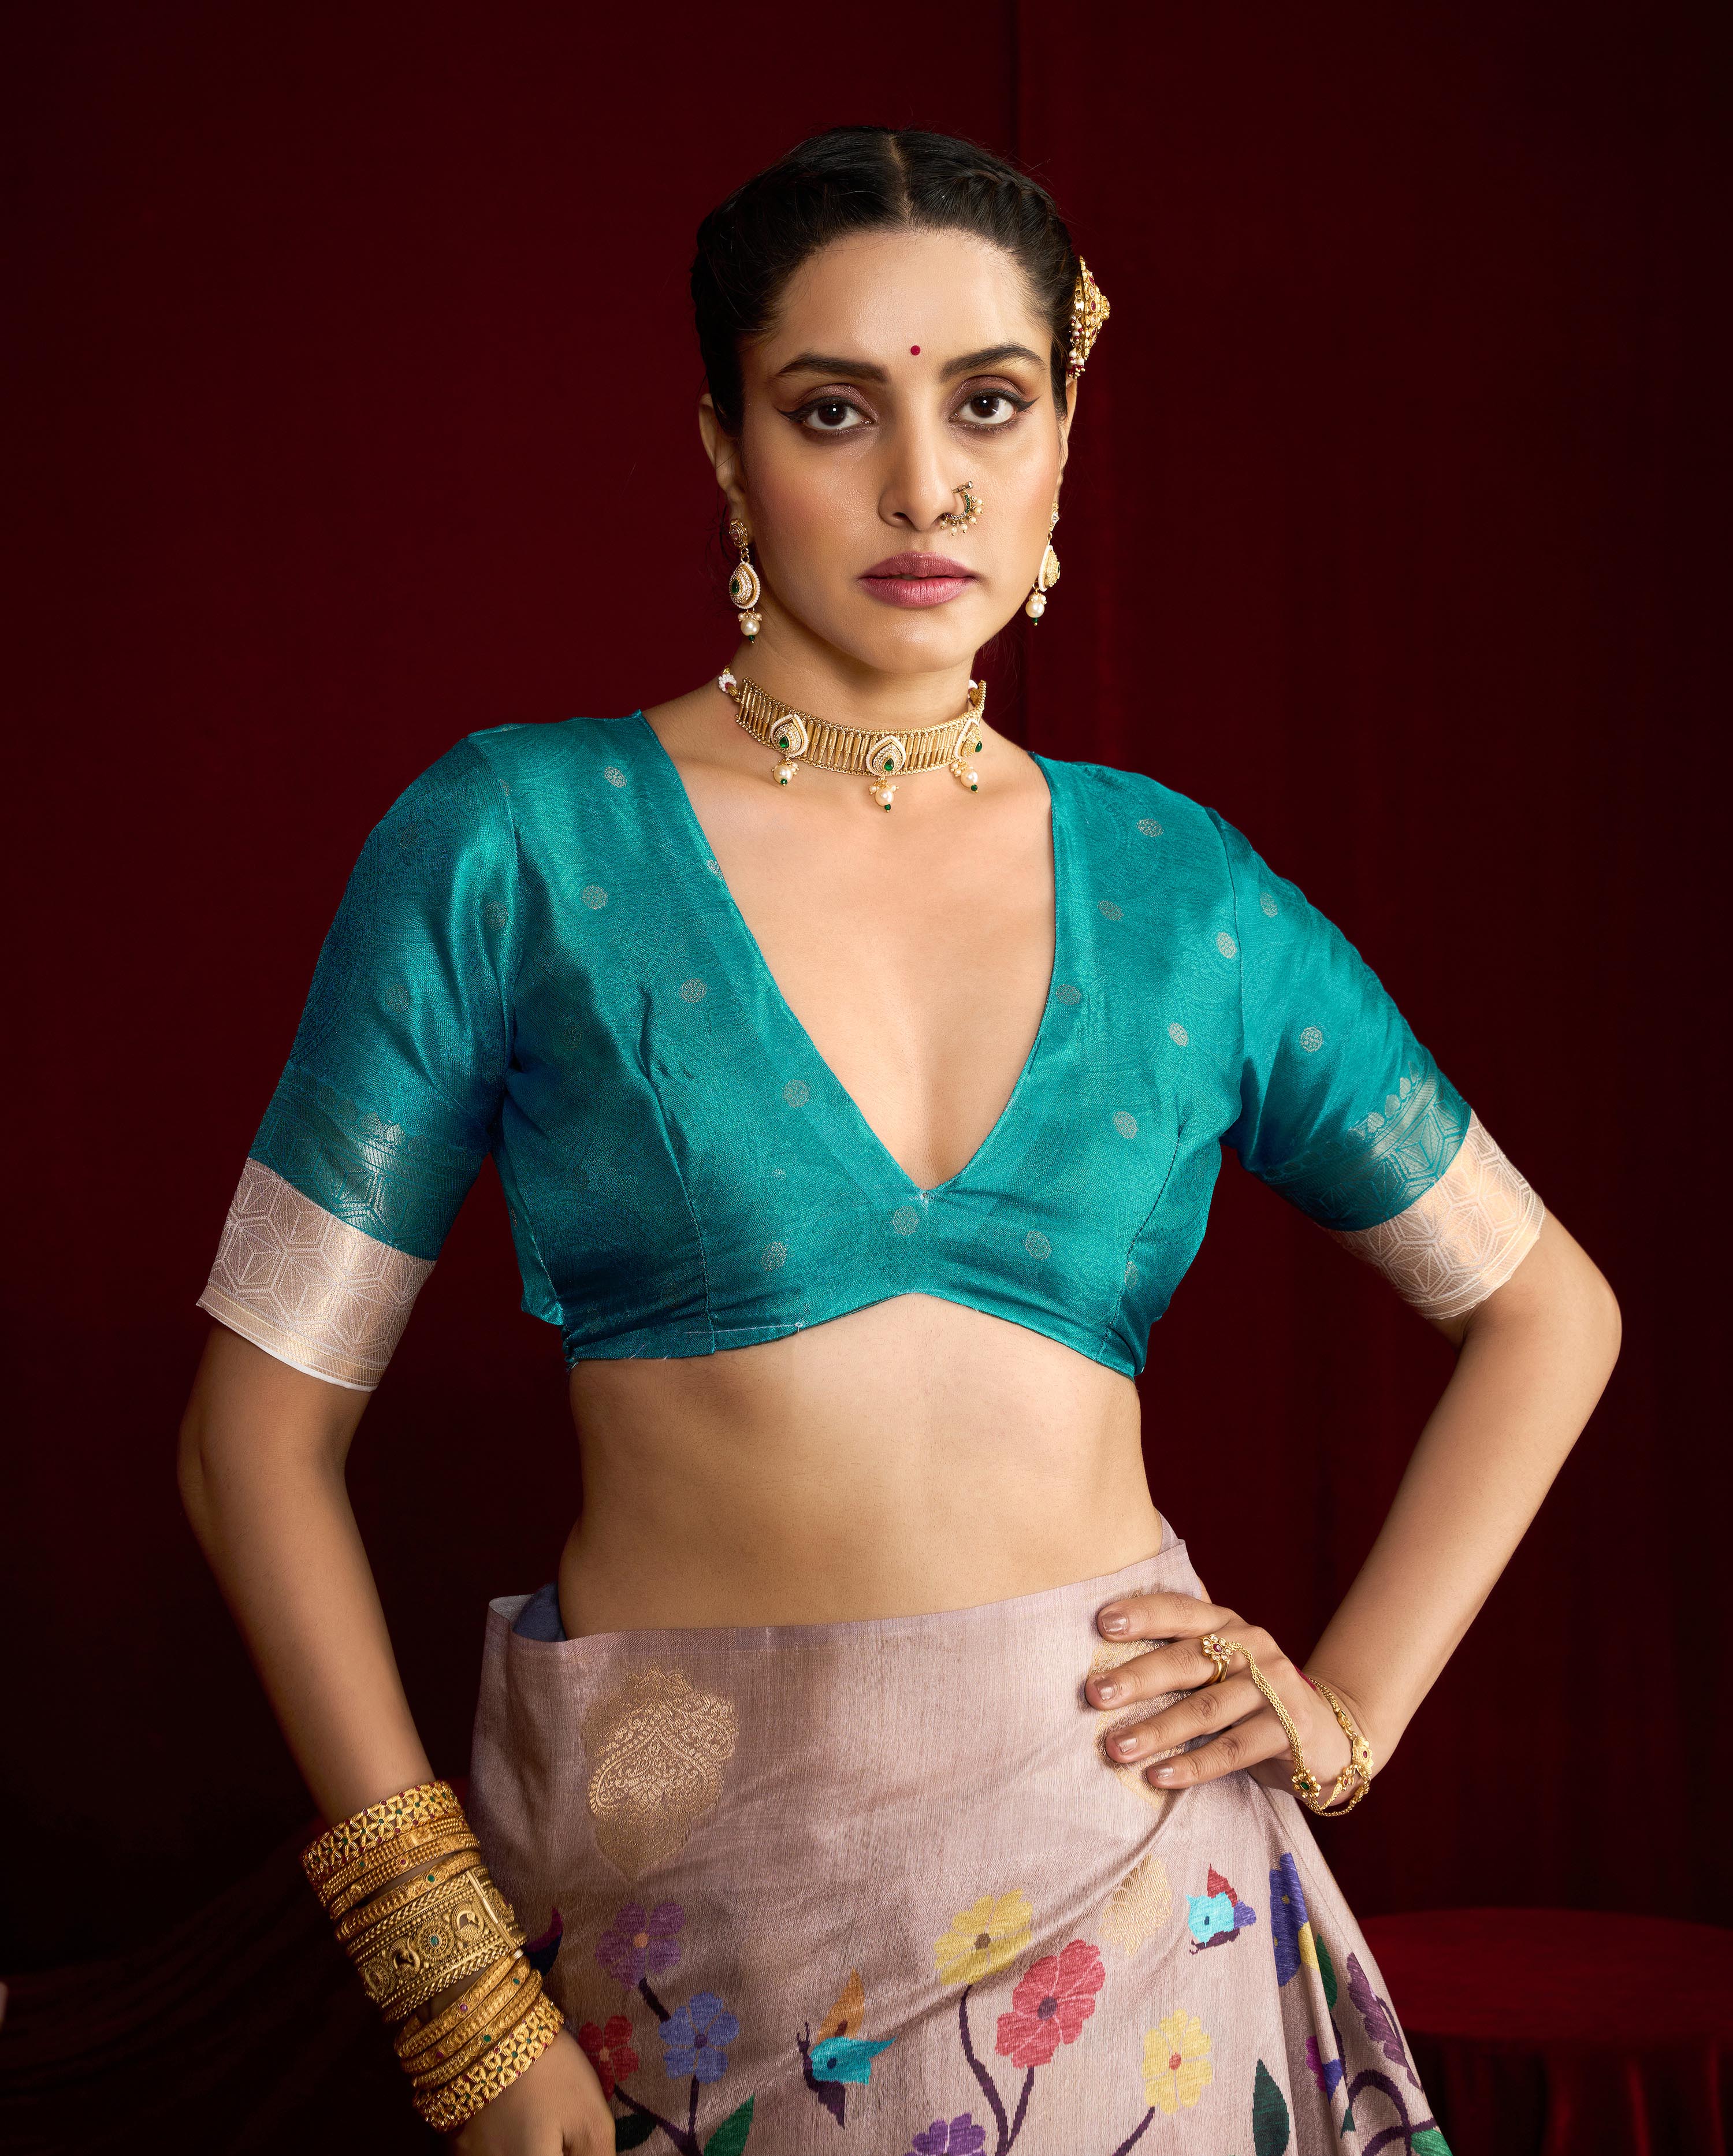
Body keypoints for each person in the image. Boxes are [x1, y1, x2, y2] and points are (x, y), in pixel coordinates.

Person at [178, 127, 1619, 2153]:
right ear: (723, 445)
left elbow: (1551, 1310)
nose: (925, 484)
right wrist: (453, 1988)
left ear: (1062, 444)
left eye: (991, 403)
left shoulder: (1185, 895)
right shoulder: (513, 842)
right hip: (696, 1925)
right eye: (835, 408)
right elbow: (251, 1437)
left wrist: (1348, 1708)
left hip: (1140, 1904)